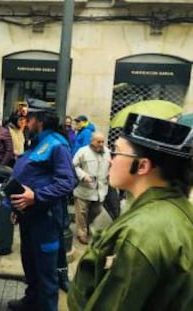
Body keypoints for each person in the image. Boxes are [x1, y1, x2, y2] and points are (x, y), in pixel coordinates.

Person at [68, 113, 193, 311]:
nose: (110, 160)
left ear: (142, 165)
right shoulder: (178, 210)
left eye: (117, 152)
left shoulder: (141, 233)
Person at [6, 107, 76, 310]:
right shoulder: (37, 142)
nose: (26, 123)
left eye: (29, 119)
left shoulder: (57, 145)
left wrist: (36, 197)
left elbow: (67, 182)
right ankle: (31, 301)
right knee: (30, 263)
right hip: (28, 217)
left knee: (46, 272)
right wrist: (16, 207)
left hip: (46, 220)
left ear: (39, 121)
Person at [72, 132, 111, 244]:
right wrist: (83, 176)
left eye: (102, 141)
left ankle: (86, 227)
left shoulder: (107, 152)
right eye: (98, 141)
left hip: (100, 190)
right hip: (84, 189)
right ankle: (82, 233)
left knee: (97, 211)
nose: (101, 144)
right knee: (82, 213)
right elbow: (74, 166)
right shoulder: (82, 151)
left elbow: (109, 166)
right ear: (92, 141)